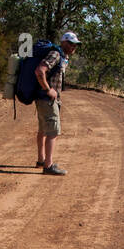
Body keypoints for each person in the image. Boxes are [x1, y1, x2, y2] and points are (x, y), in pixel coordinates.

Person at [33, 31, 78, 175]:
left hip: (41, 98)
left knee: (43, 129)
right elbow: (40, 71)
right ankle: (48, 166)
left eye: (75, 44)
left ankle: (41, 160)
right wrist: (48, 89)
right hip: (48, 99)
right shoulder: (56, 54)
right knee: (53, 131)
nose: (73, 47)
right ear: (63, 42)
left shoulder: (60, 56)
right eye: (70, 43)